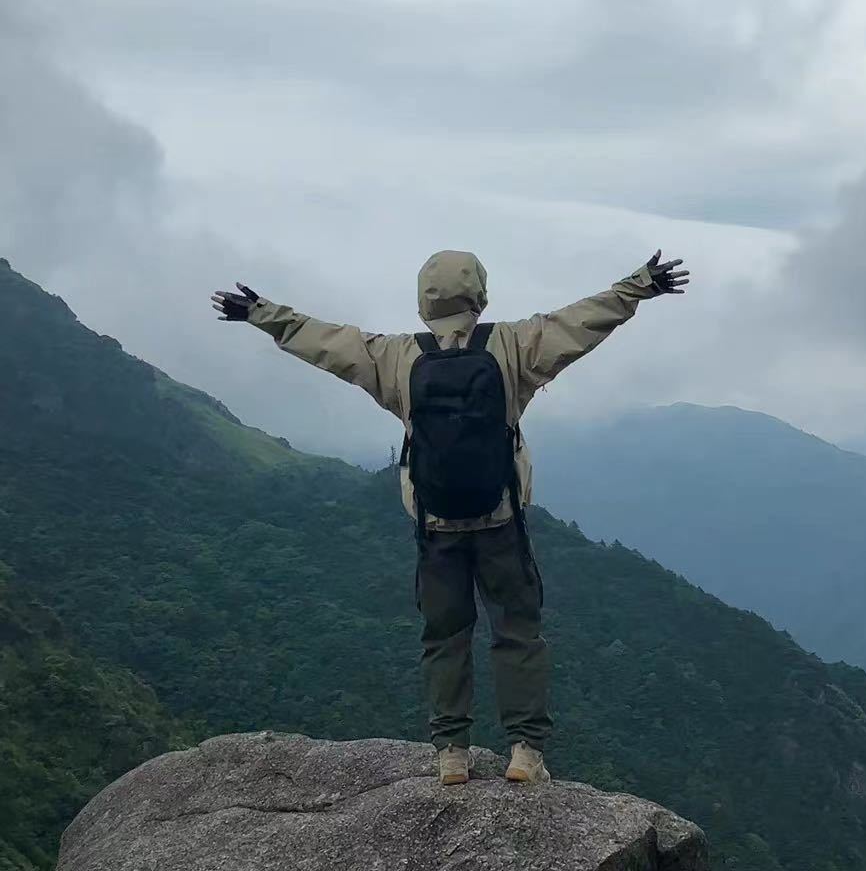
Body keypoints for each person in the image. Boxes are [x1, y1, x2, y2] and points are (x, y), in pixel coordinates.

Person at [211, 249, 689, 786]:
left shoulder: (393, 357)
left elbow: (325, 342)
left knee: (444, 636)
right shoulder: (514, 345)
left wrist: (260, 312)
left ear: (423, 302)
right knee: (517, 631)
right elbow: (581, 322)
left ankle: (452, 755)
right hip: (501, 520)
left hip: (435, 527)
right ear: (479, 296)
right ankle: (525, 752)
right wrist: (638, 286)